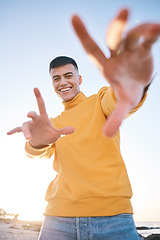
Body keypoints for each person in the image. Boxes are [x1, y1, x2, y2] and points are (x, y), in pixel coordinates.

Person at [7, 8, 160, 240]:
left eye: (68, 75)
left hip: (114, 219)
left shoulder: (99, 101)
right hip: (58, 220)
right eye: (56, 78)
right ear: (52, 85)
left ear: (79, 79)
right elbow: (35, 152)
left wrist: (132, 84)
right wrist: (36, 144)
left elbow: (119, 99)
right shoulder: (53, 123)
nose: (63, 82)